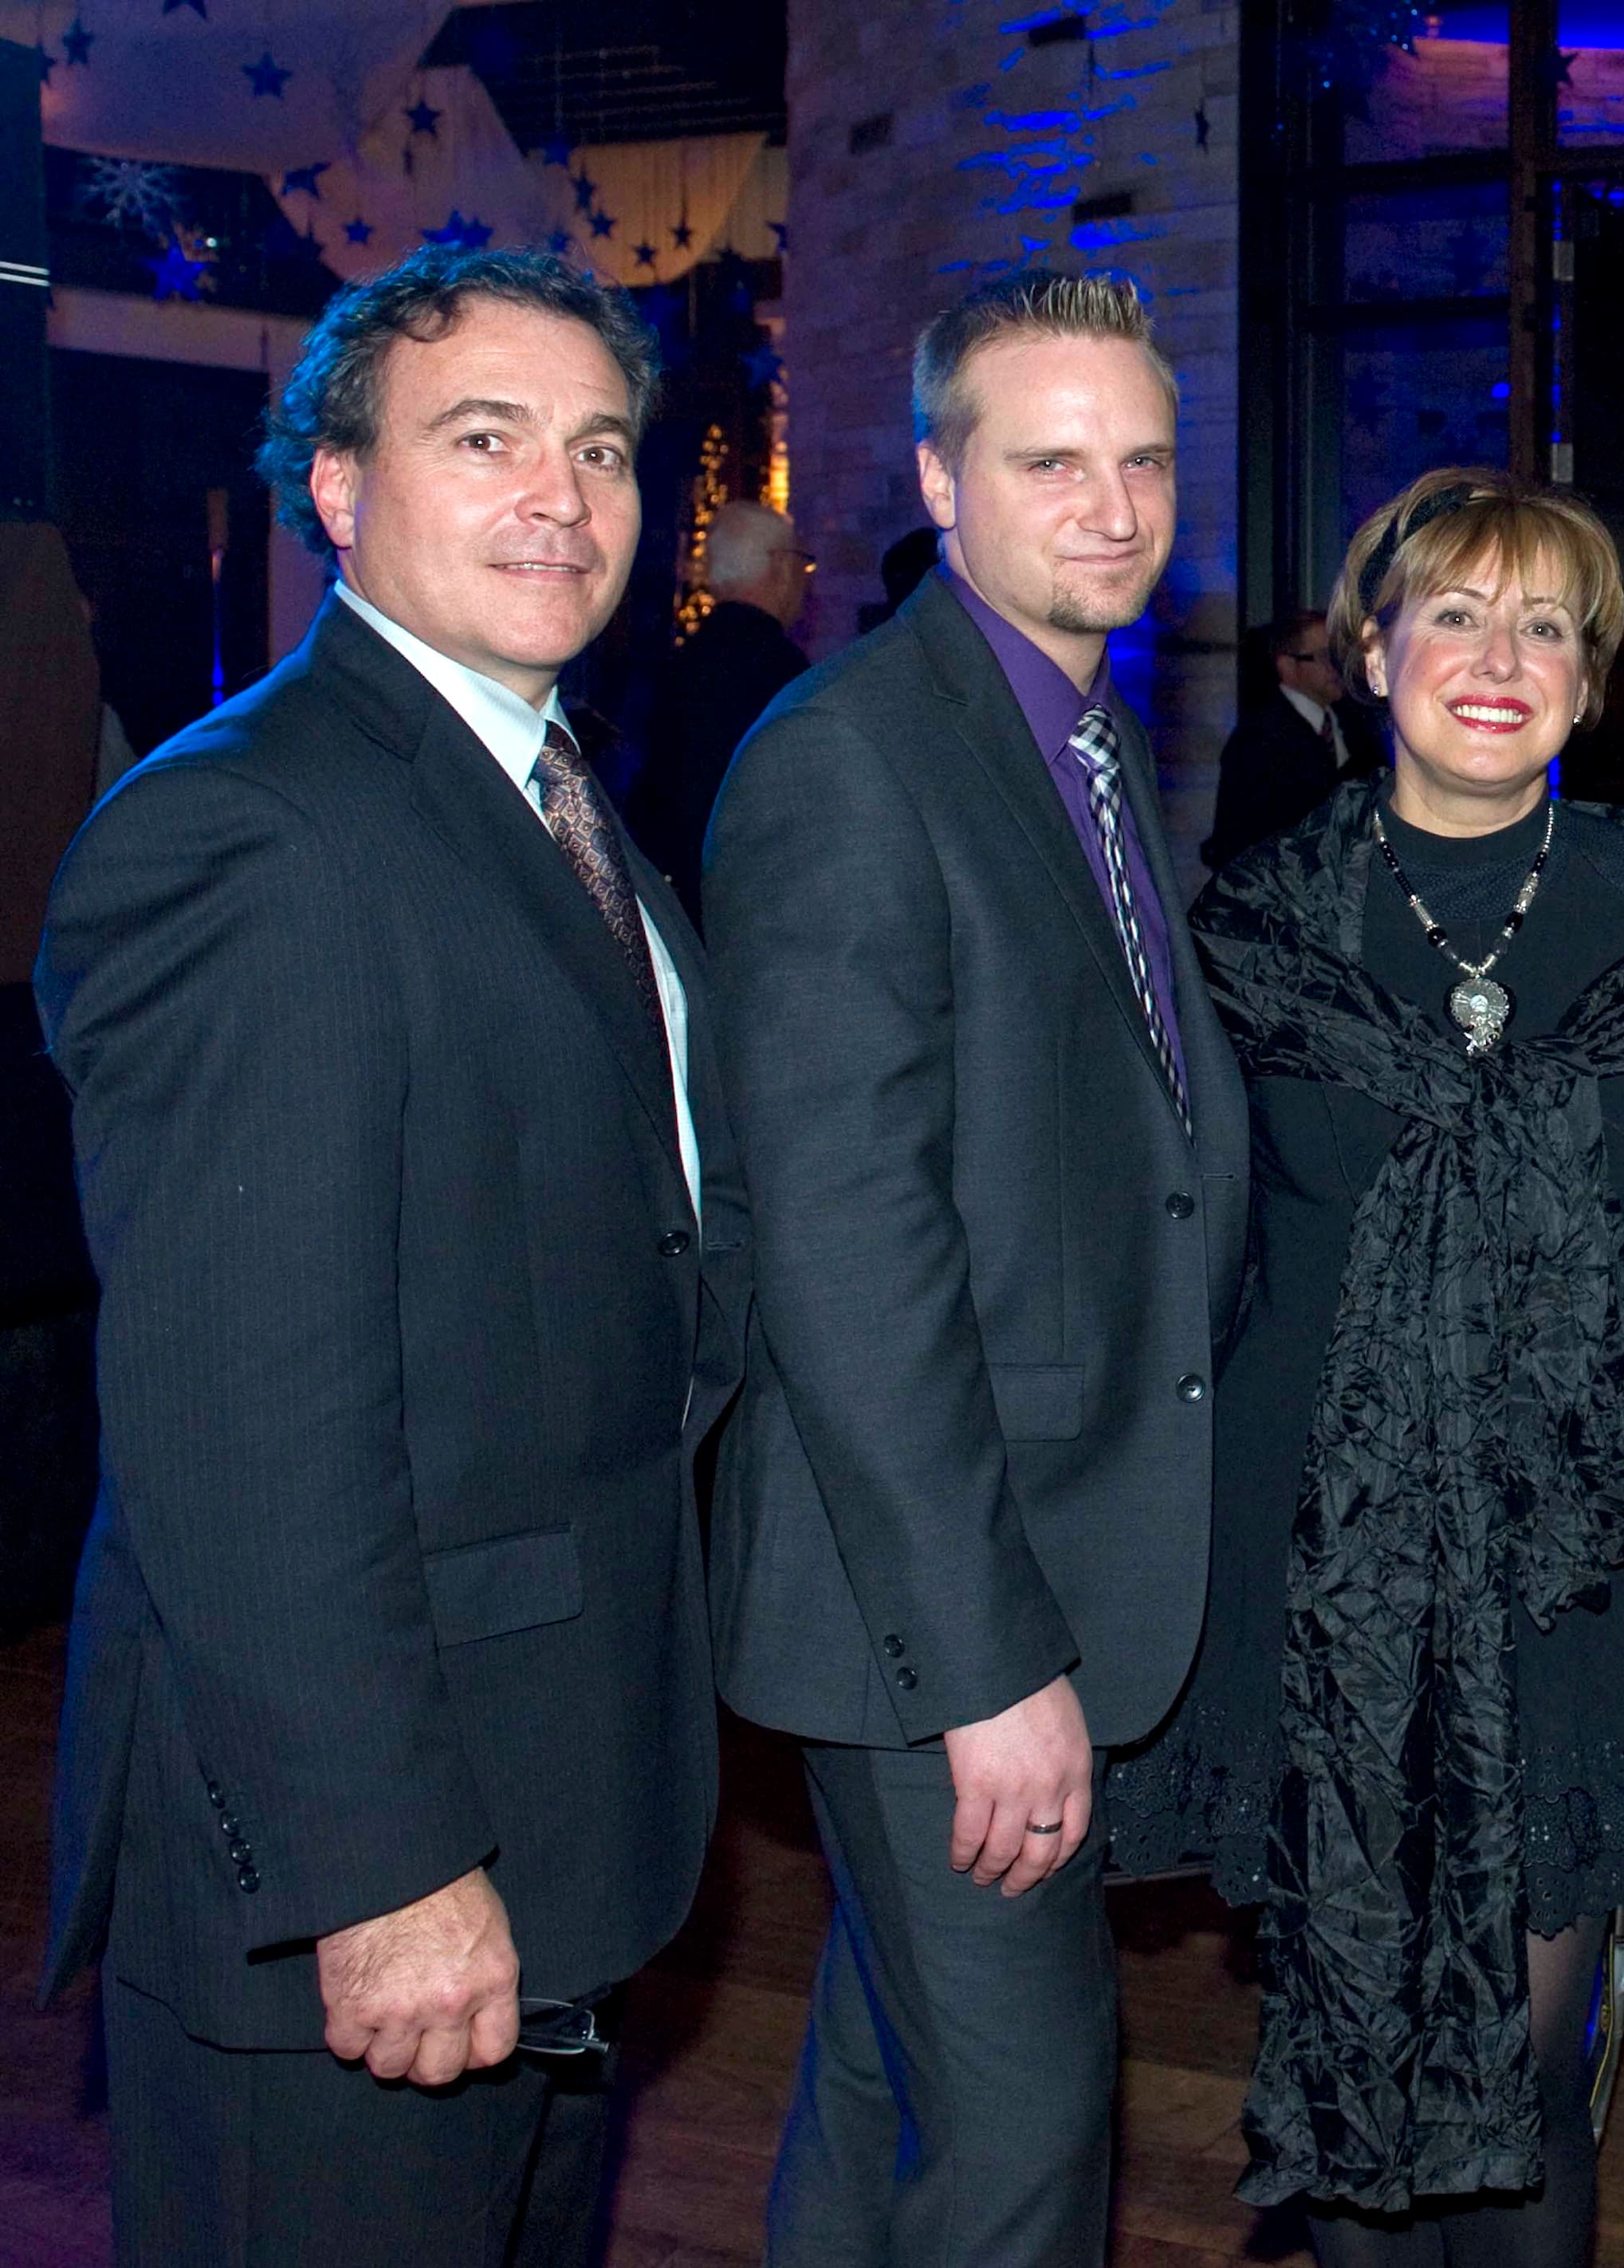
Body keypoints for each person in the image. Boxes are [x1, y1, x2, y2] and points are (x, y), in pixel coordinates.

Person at [34, 245, 745, 2267]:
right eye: (485, 438)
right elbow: (243, 1427)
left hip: (554, 1799)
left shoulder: (537, 789)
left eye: (600, 446)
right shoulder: (254, 832)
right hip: (368, 1868)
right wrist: (387, 1868)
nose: (563, 496)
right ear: (337, 488)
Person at [1106, 467, 1624, 2265]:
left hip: (1570, 1570)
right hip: (1323, 1574)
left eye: (1548, 624)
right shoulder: (1253, 924)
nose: (1499, 655)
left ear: (1595, 675)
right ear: (1371, 643)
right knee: (1349, 2052)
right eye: (1457, 614)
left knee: (1533, 2071)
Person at [701, 270, 1252, 2267]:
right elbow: (853, 1256)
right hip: (935, 1611)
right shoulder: (853, 761)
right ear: (940, 480)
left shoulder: (1075, 741)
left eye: (1141, 460)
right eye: (1048, 463)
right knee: (1027, 2139)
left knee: (888, 2076)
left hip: (1031, 1565)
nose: (1108, 506)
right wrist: (991, 1661)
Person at [628, 498, 811, 915]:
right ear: (780, 565)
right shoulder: (784, 673)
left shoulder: (678, 663)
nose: (804, 579)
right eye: (802, 562)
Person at [1204, 606, 1364, 877]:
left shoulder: (1355, 725)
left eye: (1340, 656)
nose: (1337, 667)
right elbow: (1243, 842)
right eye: (1326, 657)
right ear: (1288, 666)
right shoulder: (1258, 741)